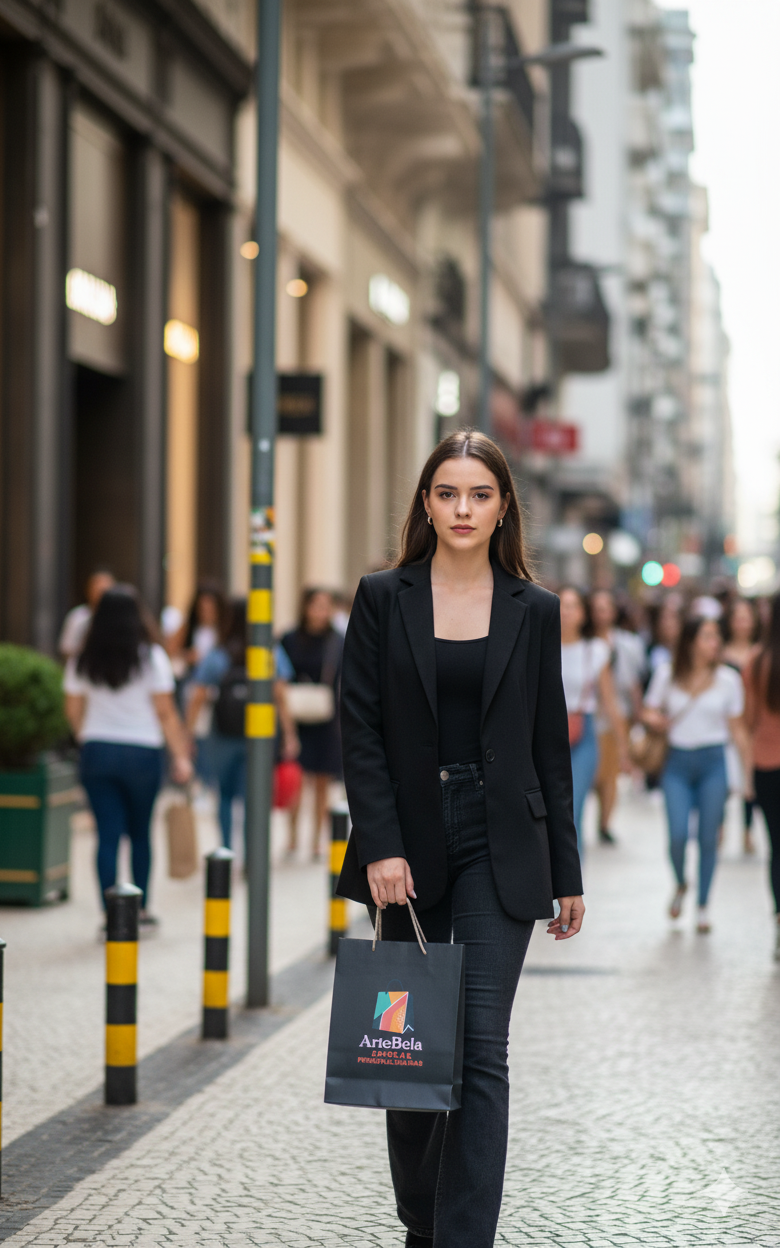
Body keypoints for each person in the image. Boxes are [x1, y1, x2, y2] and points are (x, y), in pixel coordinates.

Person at [335, 429, 584, 1248]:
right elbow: (360, 729)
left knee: (480, 1050)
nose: (463, 508)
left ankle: (460, 1236)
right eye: (448, 493)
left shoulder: (535, 610)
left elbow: (551, 746)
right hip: (405, 841)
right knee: (409, 1055)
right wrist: (380, 843)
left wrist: (568, 871)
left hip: (502, 840)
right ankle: (423, 1218)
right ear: (426, 504)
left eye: (479, 494)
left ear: (503, 505)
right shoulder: (383, 596)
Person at [64, 585, 193, 928]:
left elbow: (73, 709)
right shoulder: (151, 657)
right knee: (139, 832)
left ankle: (110, 914)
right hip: (142, 753)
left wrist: (85, 737)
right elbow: (166, 712)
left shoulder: (83, 658)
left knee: (106, 835)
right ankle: (141, 909)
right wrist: (180, 755)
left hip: (97, 750)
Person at [643, 616, 751, 933]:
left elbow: (738, 730)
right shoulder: (668, 674)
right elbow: (649, 708)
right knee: (677, 836)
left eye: (717, 636)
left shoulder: (729, 679)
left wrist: (747, 776)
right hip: (677, 762)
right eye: (706, 636)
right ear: (690, 641)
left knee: (708, 837)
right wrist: (655, 720)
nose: (714, 643)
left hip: (713, 762)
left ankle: (703, 906)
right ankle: (680, 883)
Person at [185, 600, 299, 849]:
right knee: (254, 797)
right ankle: (252, 856)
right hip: (259, 735)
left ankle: (225, 850)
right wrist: (290, 734)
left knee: (224, 795)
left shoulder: (218, 654)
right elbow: (280, 696)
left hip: (223, 734)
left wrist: (188, 733)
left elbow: (198, 696)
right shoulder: (270, 652)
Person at [559, 586, 628, 856]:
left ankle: (573, 888)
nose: (566, 611)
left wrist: (623, 747)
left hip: (584, 733)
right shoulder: (541, 644)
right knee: (551, 812)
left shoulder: (595, 650)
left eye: (574, 606)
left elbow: (610, 701)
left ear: (583, 614)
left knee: (573, 810)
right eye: (562, 605)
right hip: (547, 734)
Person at [280, 589, 344, 858]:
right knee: (296, 779)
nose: (320, 612)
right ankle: (292, 837)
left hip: (327, 719)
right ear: (305, 607)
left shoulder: (337, 640)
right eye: (315, 606)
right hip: (295, 718)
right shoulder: (289, 638)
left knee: (321, 782)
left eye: (325, 606)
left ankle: (317, 840)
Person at [590, 589, 646, 845]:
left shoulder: (628, 644)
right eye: (596, 608)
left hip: (616, 717)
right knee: (594, 773)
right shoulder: (583, 643)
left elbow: (633, 684)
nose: (601, 613)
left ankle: (605, 822)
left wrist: (638, 715)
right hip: (589, 716)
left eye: (605, 607)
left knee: (610, 774)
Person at [743, 593, 780, 960]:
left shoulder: (756, 661)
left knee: (777, 848)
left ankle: (779, 919)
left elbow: (750, 719)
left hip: (766, 764)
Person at [722, 597, 761, 853]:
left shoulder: (760, 653)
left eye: (747, 617)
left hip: (754, 723)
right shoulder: (721, 652)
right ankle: (720, 827)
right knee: (725, 779)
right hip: (726, 723)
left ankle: (748, 830)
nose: (742, 622)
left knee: (750, 776)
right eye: (738, 617)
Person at [58, 569, 116, 658]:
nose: (100, 591)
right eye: (97, 586)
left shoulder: (120, 618)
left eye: (105, 588)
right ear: (88, 589)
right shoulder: (77, 616)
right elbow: (67, 650)